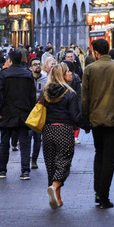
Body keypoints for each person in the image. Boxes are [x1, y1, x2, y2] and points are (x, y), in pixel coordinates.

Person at [82, 38, 114, 209]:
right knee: (109, 158)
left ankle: (98, 191)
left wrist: (85, 121)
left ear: (95, 53)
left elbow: (85, 99)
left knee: (99, 153)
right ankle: (104, 195)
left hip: (96, 118)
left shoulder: (89, 69)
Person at [42, 63, 82, 210]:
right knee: (64, 163)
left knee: (51, 165)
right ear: (62, 75)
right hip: (64, 130)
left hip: (47, 131)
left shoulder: (46, 92)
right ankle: (54, 185)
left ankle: (57, 198)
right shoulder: (70, 94)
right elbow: (75, 116)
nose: (71, 73)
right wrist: (86, 124)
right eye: (68, 72)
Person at [0, 50, 36, 180]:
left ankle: (2, 169)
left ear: (10, 60)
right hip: (23, 113)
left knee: (4, 142)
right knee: (24, 142)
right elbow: (32, 96)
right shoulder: (28, 75)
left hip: (6, 113)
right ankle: (25, 171)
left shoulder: (4, 74)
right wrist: (31, 112)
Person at [28, 57, 49, 169]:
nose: (37, 66)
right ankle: (26, 159)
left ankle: (34, 160)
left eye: (39, 64)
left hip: (40, 111)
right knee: (27, 136)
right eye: (35, 64)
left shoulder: (46, 79)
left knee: (37, 138)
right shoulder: (27, 79)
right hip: (29, 111)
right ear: (31, 68)